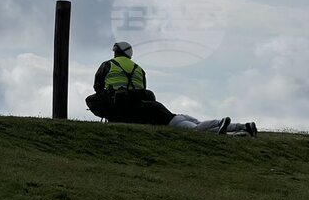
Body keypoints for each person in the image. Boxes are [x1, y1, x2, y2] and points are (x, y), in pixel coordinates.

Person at [86, 41, 257, 135]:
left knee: (192, 128)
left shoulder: (107, 64)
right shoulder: (139, 69)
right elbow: (143, 89)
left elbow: (97, 86)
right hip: (148, 106)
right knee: (190, 121)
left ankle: (222, 123)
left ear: (116, 52)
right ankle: (242, 127)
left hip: (131, 107)